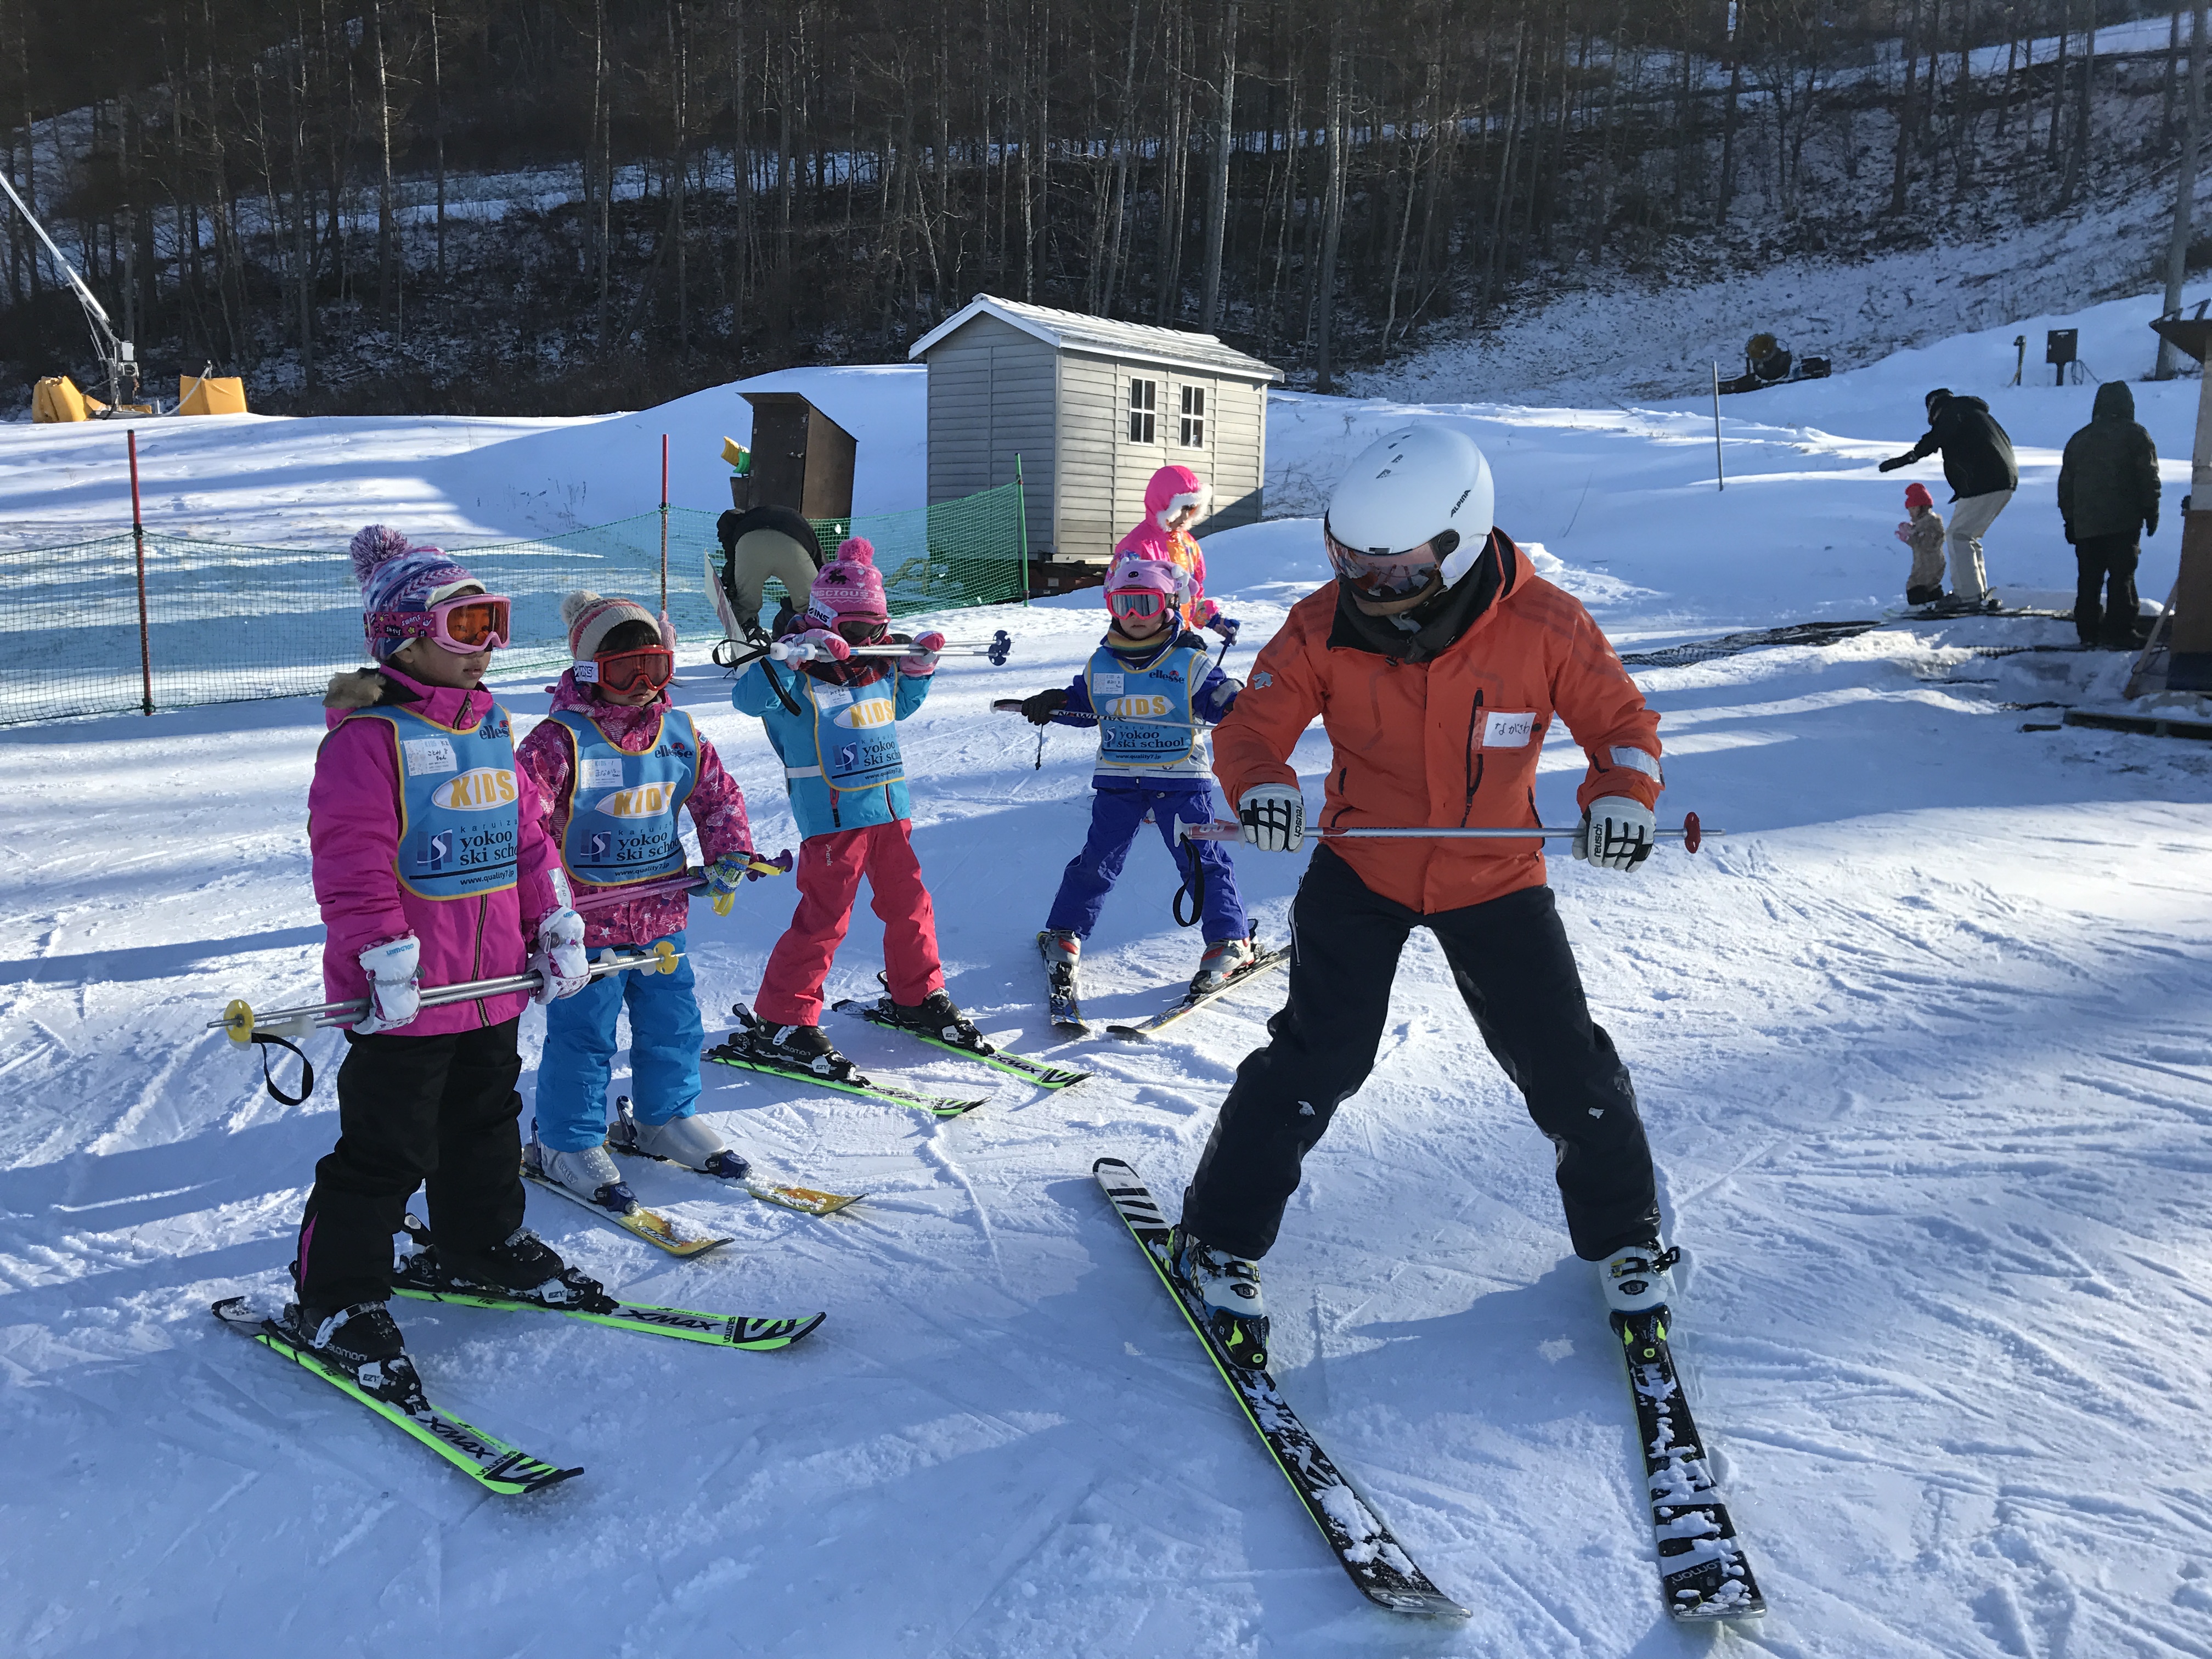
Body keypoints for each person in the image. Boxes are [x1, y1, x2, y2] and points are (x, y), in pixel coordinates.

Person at [1165, 424, 1673, 1372]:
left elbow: (1624, 726)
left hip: (1496, 875)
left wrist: (1620, 797)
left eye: (1393, 571)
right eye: (1350, 563)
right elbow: (1251, 729)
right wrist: (1264, 784)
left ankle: (1627, 1234)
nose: (1370, 589)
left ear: (1462, 539)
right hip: (1363, 866)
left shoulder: (1547, 626)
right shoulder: (1323, 624)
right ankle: (1217, 1233)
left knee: (1567, 1065)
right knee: (1316, 1061)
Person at [291, 526, 600, 1400]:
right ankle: (337, 1295)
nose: (488, 647)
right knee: (387, 1146)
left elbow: (529, 838)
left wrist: (554, 924)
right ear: (401, 638)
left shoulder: (494, 724)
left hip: (491, 981)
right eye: (465, 628)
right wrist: (382, 956)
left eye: (495, 623)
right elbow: (351, 860)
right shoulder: (366, 737)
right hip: (406, 992)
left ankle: (480, 1240)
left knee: (484, 1121)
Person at [515, 591, 765, 1210]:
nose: (642, 686)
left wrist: (730, 850)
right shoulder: (558, 740)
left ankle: (664, 1119)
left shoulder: (680, 733)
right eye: (624, 670)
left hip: (661, 918)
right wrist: (542, 911)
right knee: (584, 1035)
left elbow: (716, 795)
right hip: (586, 926)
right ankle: (567, 1141)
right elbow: (525, 825)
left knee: (672, 1024)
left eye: (655, 669)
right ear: (588, 670)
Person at [727, 538, 962, 1075]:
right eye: (856, 631)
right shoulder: (798, 674)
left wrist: (918, 670)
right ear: (826, 621)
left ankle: (917, 993)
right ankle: (784, 1017)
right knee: (825, 919)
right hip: (833, 819)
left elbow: (897, 707)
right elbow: (747, 700)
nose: (867, 641)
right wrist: (791, 657)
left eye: (876, 629)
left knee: (911, 906)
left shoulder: (875, 668)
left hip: (888, 809)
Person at [1023, 555, 1251, 1002]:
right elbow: (1084, 707)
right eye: (1123, 604)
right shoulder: (1102, 663)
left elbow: (1219, 702)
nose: (1133, 617)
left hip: (1179, 779)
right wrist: (1053, 703)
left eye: (1145, 604)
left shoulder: (1189, 661)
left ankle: (1229, 938)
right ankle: (1065, 931)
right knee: (1097, 860)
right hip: (1119, 780)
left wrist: (1234, 700)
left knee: (1201, 860)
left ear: (1168, 604)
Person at [1878, 387, 2018, 612]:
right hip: (2003, 480)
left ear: (1934, 409)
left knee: (1959, 536)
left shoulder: (1954, 412)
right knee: (1968, 536)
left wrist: (1909, 457)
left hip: (1984, 481)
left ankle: (1968, 596)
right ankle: (1976, 591)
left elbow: (1938, 436)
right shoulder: (1976, 415)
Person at [2057, 381, 2160, 650]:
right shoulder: (2136, 435)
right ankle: (2120, 631)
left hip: (2086, 523)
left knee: (2089, 578)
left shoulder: (2080, 438)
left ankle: (2088, 631)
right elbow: (2147, 477)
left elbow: (2066, 485)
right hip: (2124, 520)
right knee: (2121, 576)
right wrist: (2151, 510)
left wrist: (2070, 520)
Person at [1114, 464, 1241, 642]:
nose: (1184, 518)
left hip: (1179, 637)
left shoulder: (1188, 545)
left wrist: (1214, 620)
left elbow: (1190, 594)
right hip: (1146, 641)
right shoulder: (1136, 546)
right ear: (1161, 505)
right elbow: (1119, 599)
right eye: (1179, 509)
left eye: (1190, 510)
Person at [1895, 482, 1948, 608]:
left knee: (1915, 586)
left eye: (1913, 509)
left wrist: (1911, 536)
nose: (1910, 513)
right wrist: (1910, 536)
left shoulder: (1930, 523)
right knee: (1930, 585)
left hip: (1927, 565)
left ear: (1923, 508)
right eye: (1909, 510)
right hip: (1929, 564)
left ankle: (1920, 605)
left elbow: (1926, 544)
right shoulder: (1923, 524)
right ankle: (1934, 600)